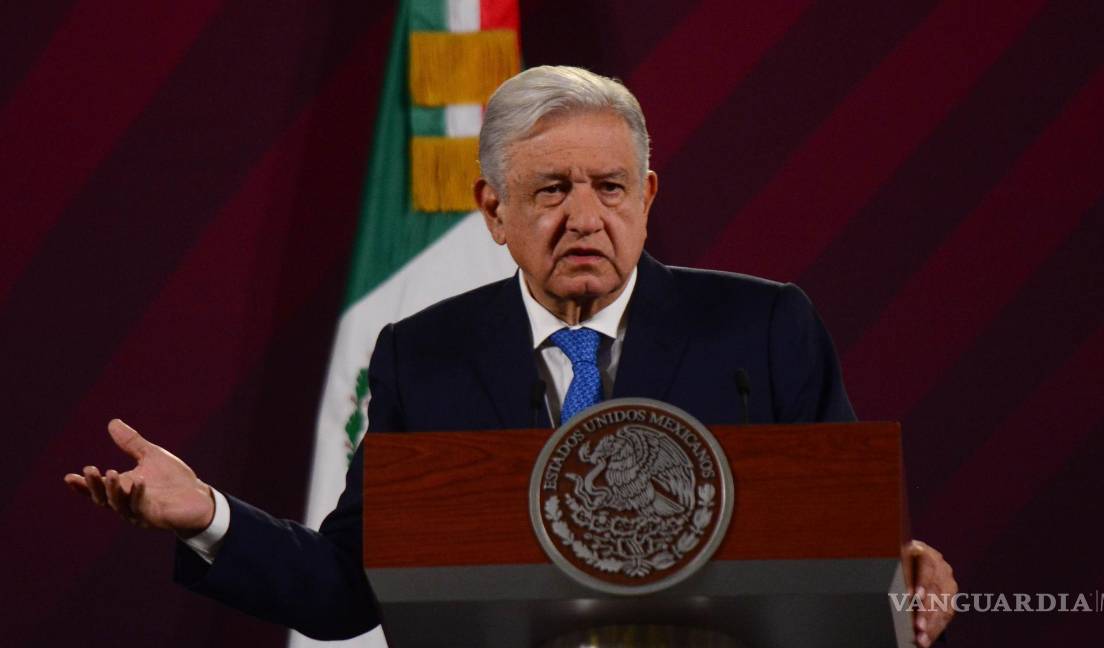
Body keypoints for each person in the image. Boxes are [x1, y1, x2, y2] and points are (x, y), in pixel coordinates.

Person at [65, 66, 956, 646]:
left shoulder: (762, 329)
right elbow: (349, 589)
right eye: (550, 190)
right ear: (493, 211)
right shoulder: (426, 355)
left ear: (646, 198)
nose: (584, 216)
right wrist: (210, 516)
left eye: (609, 188)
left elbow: (843, 544)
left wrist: (898, 569)